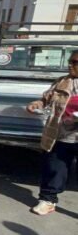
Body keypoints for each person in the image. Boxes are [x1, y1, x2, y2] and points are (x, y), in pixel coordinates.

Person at [25, 49, 78, 215]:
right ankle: (48, 200)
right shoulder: (63, 82)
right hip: (61, 133)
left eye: (75, 63)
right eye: (70, 61)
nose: (70, 65)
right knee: (55, 166)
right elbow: (46, 98)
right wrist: (37, 104)